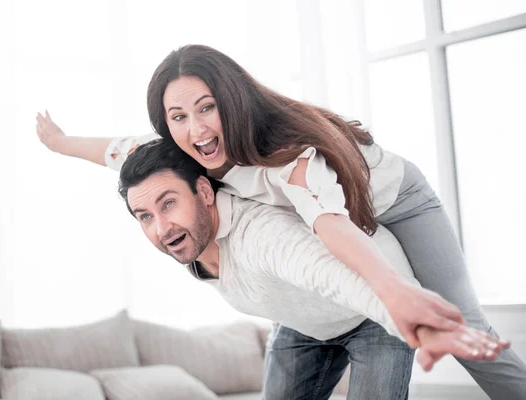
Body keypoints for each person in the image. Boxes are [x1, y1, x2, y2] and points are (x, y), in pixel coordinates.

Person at [36, 44, 526, 398]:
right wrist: (59, 143)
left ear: (232, 99)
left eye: (207, 108)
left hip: (394, 200)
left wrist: (394, 292)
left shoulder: (285, 157)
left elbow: (330, 224)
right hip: (335, 223)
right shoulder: (176, 152)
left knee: (467, 326)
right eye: (179, 117)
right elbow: (113, 151)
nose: (197, 128)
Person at [117, 138, 506, 400]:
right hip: (302, 323)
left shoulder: (261, 235)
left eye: (168, 205)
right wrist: (62, 144)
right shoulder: (189, 234)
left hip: (369, 312)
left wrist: (417, 323)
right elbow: (116, 151)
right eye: (144, 216)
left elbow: (335, 275)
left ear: (204, 192)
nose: (160, 228)